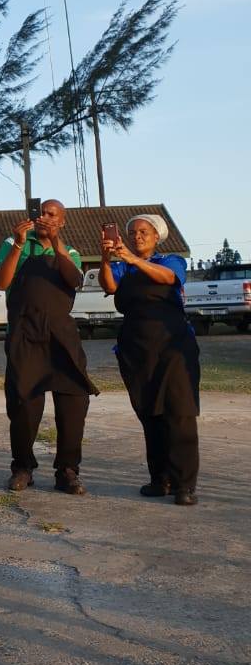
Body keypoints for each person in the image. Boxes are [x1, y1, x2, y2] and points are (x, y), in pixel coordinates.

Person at [0, 199, 99, 495]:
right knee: (24, 405)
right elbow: (1, 282)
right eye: (42, 213)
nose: (45, 218)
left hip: (61, 336)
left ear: (61, 222)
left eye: (53, 215)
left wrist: (55, 241)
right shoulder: (14, 244)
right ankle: (23, 468)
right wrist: (17, 244)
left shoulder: (70, 252)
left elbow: (73, 279)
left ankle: (67, 470)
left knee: (73, 403)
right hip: (24, 335)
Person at [100, 215, 200, 506]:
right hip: (137, 348)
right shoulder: (121, 266)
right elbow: (110, 287)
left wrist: (133, 259)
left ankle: (185, 485)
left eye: (144, 232)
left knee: (179, 412)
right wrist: (107, 260)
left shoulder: (172, 260)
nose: (137, 236)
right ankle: (160, 479)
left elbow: (168, 279)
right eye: (132, 233)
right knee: (149, 412)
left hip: (173, 346)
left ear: (157, 236)